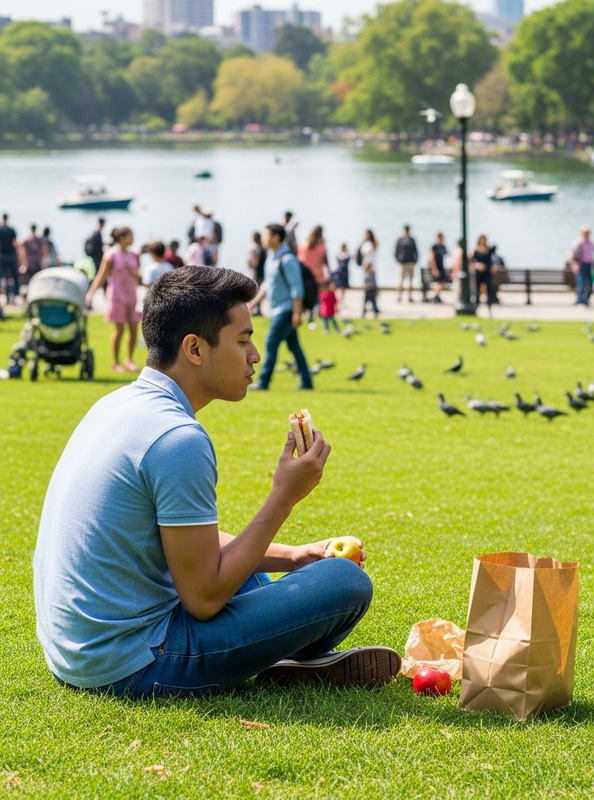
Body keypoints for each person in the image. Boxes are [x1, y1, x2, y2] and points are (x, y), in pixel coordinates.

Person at [33, 265, 399, 698]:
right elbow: (203, 599)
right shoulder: (177, 439)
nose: (255, 356)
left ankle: (281, 652)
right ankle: (284, 655)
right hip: (132, 664)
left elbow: (187, 543)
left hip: (74, 652)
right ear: (194, 349)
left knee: (266, 572)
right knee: (345, 583)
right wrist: (285, 496)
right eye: (242, 340)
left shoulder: (117, 405)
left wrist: (296, 557)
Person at [249, 223, 313, 391]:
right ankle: (307, 382)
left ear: (277, 237)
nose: (264, 239)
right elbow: (268, 285)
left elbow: (297, 288)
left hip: (286, 310)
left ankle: (264, 382)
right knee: (294, 347)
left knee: (271, 343)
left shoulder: (288, 259)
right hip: (278, 309)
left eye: (267, 235)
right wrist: (254, 303)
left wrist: (297, 313)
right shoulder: (272, 257)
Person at [86, 226, 142, 373]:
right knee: (120, 329)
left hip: (131, 294)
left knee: (134, 328)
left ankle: (129, 360)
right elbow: (101, 276)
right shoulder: (111, 256)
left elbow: (139, 277)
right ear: (122, 239)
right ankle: (116, 362)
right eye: (130, 235)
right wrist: (91, 293)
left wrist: (136, 274)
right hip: (117, 295)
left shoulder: (135, 255)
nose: (133, 238)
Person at [568, 226, 594, 306]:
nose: (588, 234)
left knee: (590, 284)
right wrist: (574, 265)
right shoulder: (578, 242)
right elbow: (572, 254)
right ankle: (580, 301)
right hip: (581, 265)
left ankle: (586, 300)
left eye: (589, 233)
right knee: (582, 283)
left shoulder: (591, 242)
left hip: (590, 265)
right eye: (586, 233)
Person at [0, 212, 21, 306]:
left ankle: (6, 293)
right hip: (11, 255)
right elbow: (15, 243)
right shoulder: (11, 230)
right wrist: (20, 257)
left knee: (3, 276)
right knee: (15, 276)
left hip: (2, 255)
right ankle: (15, 294)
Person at [394, 224, 418, 303]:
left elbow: (416, 251)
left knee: (410, 281)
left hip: (409, 262)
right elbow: (396, 251)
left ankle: (409, 297)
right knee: (401, 280)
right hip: (403, 263)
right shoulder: (401, 239)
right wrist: (398, 260)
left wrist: (415, 261)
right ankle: (399, 296)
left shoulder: (411, 240)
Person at [471, 234, 494, 308]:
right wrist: (477, 265)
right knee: (478, 286)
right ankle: (477, 301)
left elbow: (491, 260)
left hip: (487, 271)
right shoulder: (476, 251)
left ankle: (489, 301)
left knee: (488, 286)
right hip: (479, 272)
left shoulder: (488, 250)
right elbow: (473, 261)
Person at [428, 232, 448, 304]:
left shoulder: (443, 247)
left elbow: (447, 255)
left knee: (443, 282)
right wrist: (434, 268)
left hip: (441, 267)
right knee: (438, 282)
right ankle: (436, 296)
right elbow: (431, 257)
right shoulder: (434, 247)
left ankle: (437, 295)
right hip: (436, 267)